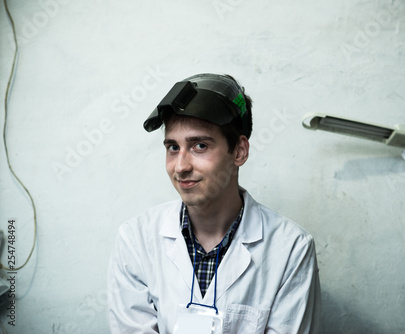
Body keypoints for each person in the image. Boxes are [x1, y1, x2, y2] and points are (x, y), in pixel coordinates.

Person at [107, 73, 321, 333]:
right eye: (173, 147)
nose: (181, 167)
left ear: (239, 152)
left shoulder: (291, 249)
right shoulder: (136, 239)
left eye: (199, 145)